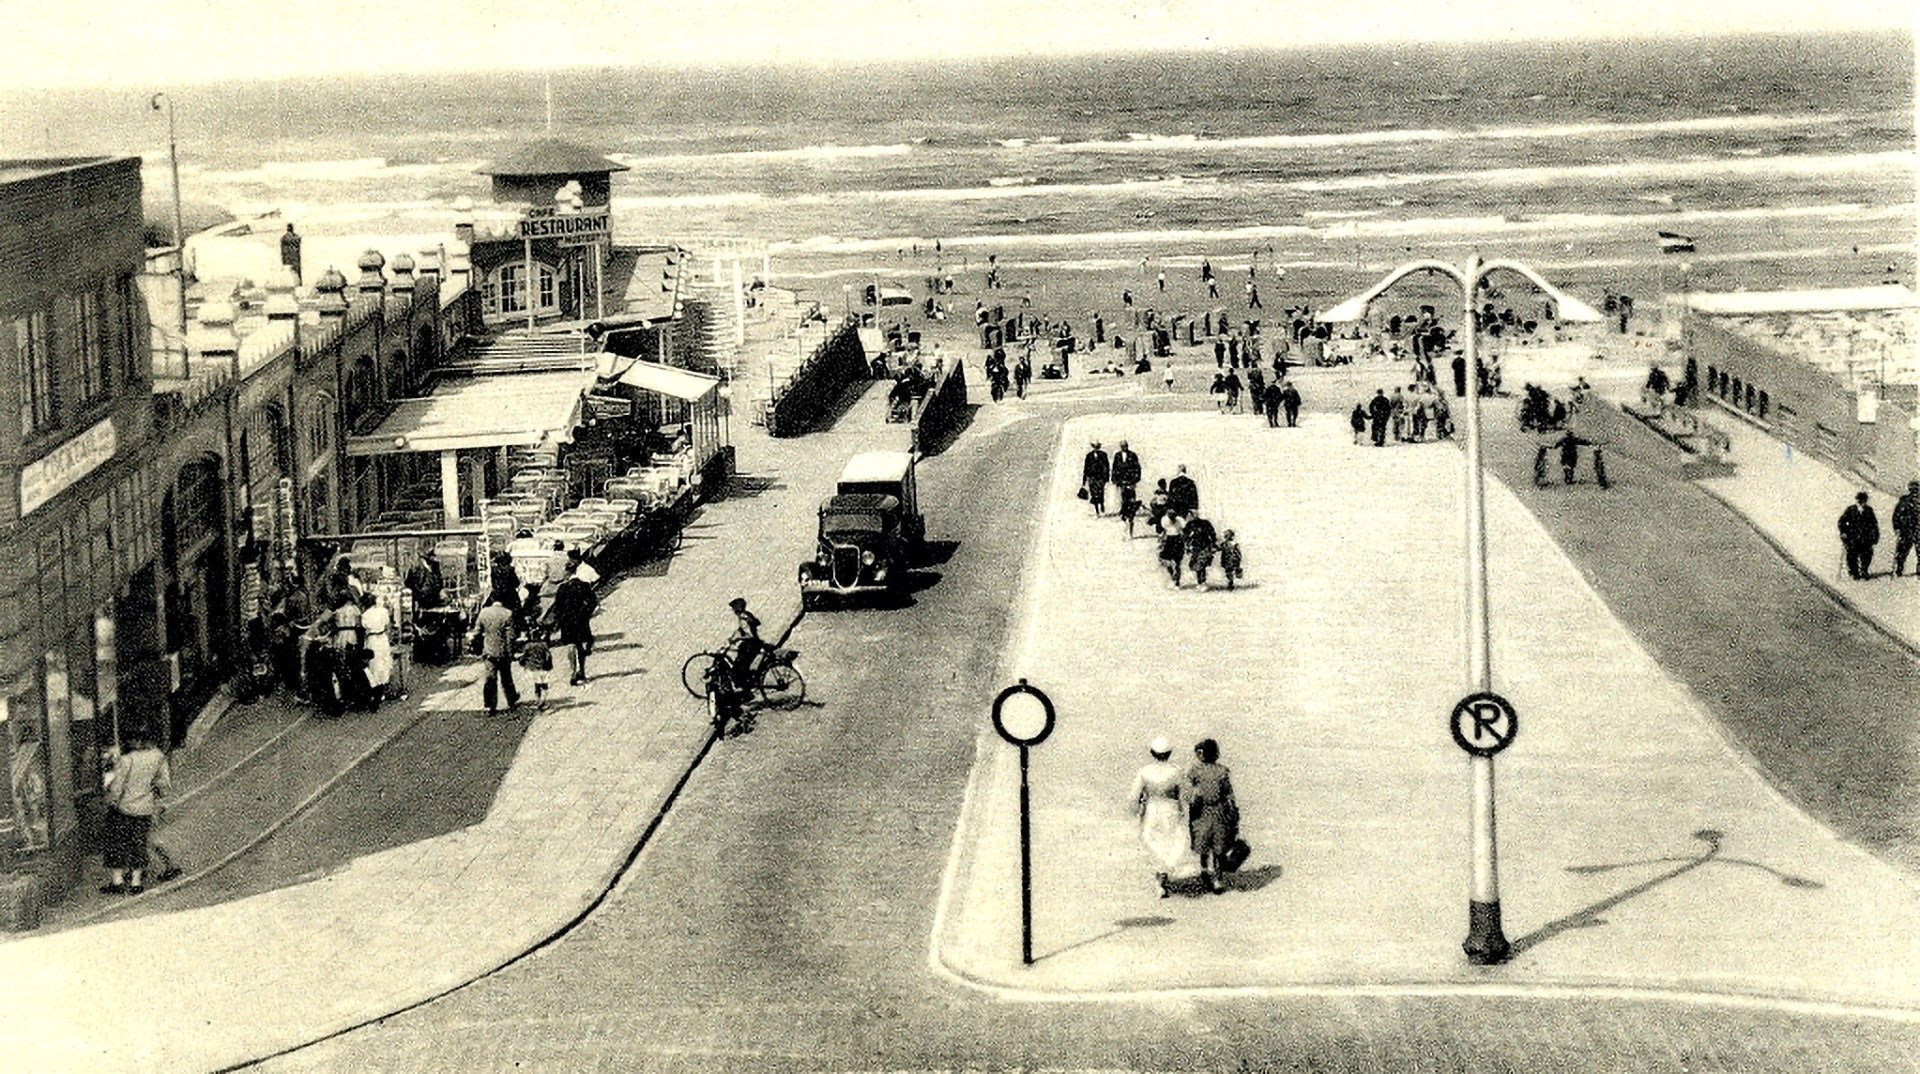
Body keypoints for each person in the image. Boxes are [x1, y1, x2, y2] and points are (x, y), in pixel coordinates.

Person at [1129, 737, 1200, 897]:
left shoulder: (1145, 771)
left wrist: (1136, 811)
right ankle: (1166, 870)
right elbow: (1185, 795)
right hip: (1171, 808)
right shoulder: (1176, 771)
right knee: (1175, 839)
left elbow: (1134, 795)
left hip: (1153, 808)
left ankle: (1160, 878)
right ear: (1169, 753)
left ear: (1152, 753)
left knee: (1152, 840)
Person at [101, 734, 172, 895]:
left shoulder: (127, 760)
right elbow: (164, 783)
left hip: (124, 808)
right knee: (138, 843)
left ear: (135, 741)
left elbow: (117, 787)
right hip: (145, 808)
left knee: (116, 842)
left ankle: (117, 882)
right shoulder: (158, 757)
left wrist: (111, 800)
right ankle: (136, 883)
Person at [1186, 738, 1239, 895]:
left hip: (1201, 812)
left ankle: (1204, 870)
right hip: (1218, 811)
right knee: (1218, 848)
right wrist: (1233, 811)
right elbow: (1228, 793)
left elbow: (1188, 791)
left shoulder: (1195, 771)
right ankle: (1216, 879)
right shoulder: (1222, 771)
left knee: (1203, 844)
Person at [545, 561, 599, 686]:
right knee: (580, 644)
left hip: (567, 621)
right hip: (580, 619)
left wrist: (560, 618)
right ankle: (582, 671)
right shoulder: (584, 585)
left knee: (570, 645)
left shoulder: (562, 588)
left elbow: (557, 606)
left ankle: (572, 670)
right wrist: (586, 613)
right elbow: (593, 602)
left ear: (567, 572)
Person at [473, 595, 520, 715]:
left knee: (490, 678)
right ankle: (511, 699)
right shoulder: (508, 614)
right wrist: (510, 653)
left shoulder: (484, 612)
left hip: (489, 651)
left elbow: (477, 631)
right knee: (506, 677)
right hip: (503, 651)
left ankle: (490, 705)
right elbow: (510, 637)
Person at [359, 592, 393, 709]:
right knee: (385, 661)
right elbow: (388, 626)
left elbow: (364, 629)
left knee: (374, 664)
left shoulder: (365, 615)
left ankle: (376, 688)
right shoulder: (383, 611)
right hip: (383, 638)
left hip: (372, 639)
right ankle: (383, 687)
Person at [1839, 491, 1881, 580]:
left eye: (1864, 500)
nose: (1862, 502)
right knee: (1852, 556)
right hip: (1852, 537)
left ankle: (1864, 570)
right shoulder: (1850, 510)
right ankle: (1854, 572)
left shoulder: (1869, 510)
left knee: (1866, 555)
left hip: (1865, 538)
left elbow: (1874, 524)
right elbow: (1842, 521)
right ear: (1857, 500)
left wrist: (1875, 536)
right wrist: (1843, 532)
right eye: (1860, 500)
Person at [727, 597, 764, 693]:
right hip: (753, 643)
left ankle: (747, 687)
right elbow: (741, 629)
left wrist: (737, 639)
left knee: (740, 665)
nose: (733, 610)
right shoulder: (746, 615)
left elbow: (749, 634)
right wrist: (733, 637)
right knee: (743, 664)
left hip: (751, 644)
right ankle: (746, 685)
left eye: (734, 608)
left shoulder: (744, 617)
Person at [520, 625, 554, 711]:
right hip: (543, 668)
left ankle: (538, 700)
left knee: (537, 686)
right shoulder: (543, 645)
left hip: (533, 669)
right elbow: (548, 656)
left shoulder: (528, 646)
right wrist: (549, 665)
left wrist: (522, 663)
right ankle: (544, 701)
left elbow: (524, 657)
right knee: (544, 685)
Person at [1891, 480, 1920, 578]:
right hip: (1907, 530)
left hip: (1917, 530)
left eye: (1916, 489)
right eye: (1913, 489)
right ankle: (1899, 569)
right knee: (1902, 551)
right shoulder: (1904, 500)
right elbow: (1897, 515)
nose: (1915, 492)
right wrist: (1897, 527)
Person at [1183, 512, 1218, 588]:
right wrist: (1187, 545)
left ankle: (1203, 582)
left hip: (1205, 546)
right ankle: (1200, 582)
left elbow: (1212, 534)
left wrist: (1213, 544)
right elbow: (1185, 536)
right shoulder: (1189, 525)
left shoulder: (1205, 523)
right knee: (1196, 565)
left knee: (1202, 564)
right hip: (1195, 547)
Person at [1081, 441, 1111, 517]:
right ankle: (1097, 510)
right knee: (1094, 494)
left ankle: (1101, 504)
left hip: (1100, 477)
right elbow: (1086, 468)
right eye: (1095, 447)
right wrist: (1084, 481)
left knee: (1101, 492)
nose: (1096, 449)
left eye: (1097, 447)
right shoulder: (1089, 456)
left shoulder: (1103, 455)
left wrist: (1107, 477)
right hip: (1092, 477)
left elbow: (1107, 466)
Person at [1110, 440, 1143, 507]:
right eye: (1122, 446)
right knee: (1122, 494)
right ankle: (1124, 509)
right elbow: (1115, 467)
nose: (1124, 447)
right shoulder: (1117, 455)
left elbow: (1137, 467)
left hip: (1130, 479)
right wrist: (1114, 478)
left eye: (1125, 446)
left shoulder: (1132, 455)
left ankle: (1132, 508)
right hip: (1121, 478)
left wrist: (1136, 478)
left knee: (1131, 494)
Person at [1157, 518, 1186, 587]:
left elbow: (1183, 531)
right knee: (1165, 560)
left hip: (1177, 540)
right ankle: (1173, 575)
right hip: (1169, 540)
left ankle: (1177, 581)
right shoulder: (1164, 520)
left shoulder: (1180, 521)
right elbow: (1164, 530)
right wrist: (1161, 539)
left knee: (1177, 562)